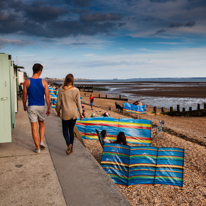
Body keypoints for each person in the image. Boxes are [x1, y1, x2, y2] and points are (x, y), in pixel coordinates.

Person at [23, 63, 50, 153]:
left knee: (34, 127)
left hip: (32, 106)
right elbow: (47, 97)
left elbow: (24, 96)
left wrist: (24, 105)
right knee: (42, 123)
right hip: (41, 106)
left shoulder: (27, 82)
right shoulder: (44, 82)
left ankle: (37, 148)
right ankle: (41, 141)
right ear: (39, 72)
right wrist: (49, 107)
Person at [55, 74, 83, 155]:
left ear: (66, 80)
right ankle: (72, 148)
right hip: (74, 113)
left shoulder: (61, 90)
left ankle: (68, 143)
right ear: (73, 81)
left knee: (65, 130)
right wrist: (81, 113)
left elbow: (58, 103)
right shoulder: (76, 90)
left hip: (66, 113)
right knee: (71, 130)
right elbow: (78, 103)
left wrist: (58, 110)